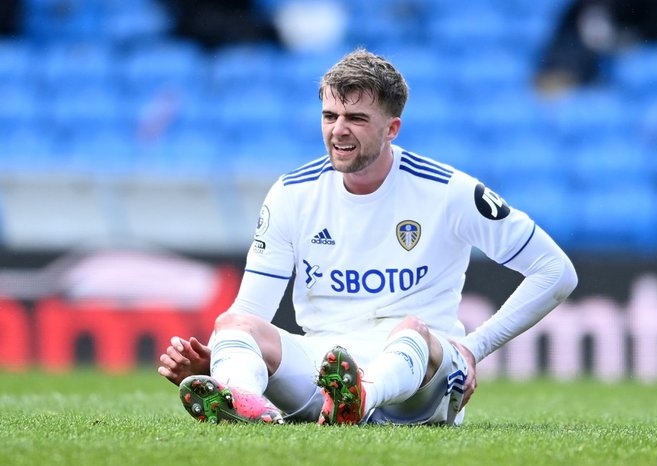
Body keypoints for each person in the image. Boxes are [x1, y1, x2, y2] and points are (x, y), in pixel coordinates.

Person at [158, 48, 578, 426]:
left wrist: (473, 348)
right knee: (233, 324)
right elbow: (252, 309)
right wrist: (225, 364)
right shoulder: (292, 194)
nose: (339, 130)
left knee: (413, 330)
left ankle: (358, 398)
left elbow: (555, 271)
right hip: (322, 374)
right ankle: (244, 402)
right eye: (330, 116)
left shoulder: (448, 191)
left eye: (356, 118)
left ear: (392, 128)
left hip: (417, 385)